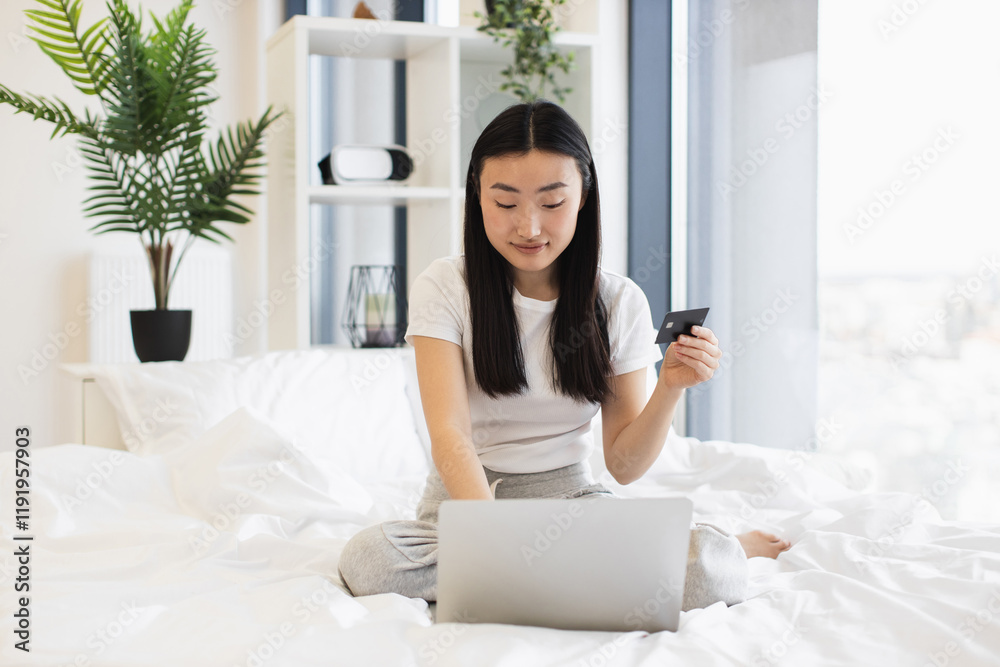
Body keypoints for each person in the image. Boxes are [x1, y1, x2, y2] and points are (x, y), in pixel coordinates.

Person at [338, 101, 790, 611]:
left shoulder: (620, 302)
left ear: (583, 198)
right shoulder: (445, 286)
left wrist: (670, 387)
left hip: (572, 507)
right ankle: (570, 577)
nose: (529, 227)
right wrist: (492, 539)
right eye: (505, 204)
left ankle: (702, 550)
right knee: (370, 561)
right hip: (463, 505)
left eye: (552, 203)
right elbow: (450, 434)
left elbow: (623, 466)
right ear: (476, 199)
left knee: (712, 576)